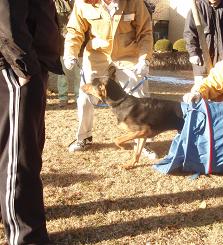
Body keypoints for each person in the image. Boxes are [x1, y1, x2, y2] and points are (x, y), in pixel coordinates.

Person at [0, 0, 63, 244]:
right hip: (16, 64)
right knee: (20, 157)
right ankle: (27, 237)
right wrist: (23, 65)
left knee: (20, 150)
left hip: (25, 60)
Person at [64, 0, 155, 158]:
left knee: (139, 97)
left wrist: (144, 59)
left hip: (128, 55)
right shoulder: (83, 3)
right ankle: (84, 137)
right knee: (85, 97)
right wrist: (70, 53)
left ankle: (141, 141)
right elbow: (74, 31)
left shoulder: (134, 2)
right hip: (97, 55)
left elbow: (145, 32)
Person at [184, 0, 223, 84]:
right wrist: (193, 53)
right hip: (202, 61)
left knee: (219, 90)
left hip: (221, 61)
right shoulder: (197, 8)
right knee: (201, 90)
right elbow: (190, 33)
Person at [54, 0, 81, 107]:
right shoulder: (55, 3)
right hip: (62, 44)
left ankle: (79, 96)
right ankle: (63, 97)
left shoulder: (80, 2)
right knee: (62, 73)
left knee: (79, 73)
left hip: (80, 43)